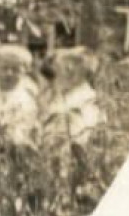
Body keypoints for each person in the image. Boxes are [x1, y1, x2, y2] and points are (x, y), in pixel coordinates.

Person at [40, 47, 103, 182]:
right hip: (51, 165)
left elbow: (82, 138)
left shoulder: (89, 99)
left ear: (87, 71)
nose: (68, 69)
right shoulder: (60, 96)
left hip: (73, 168)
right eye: (65, 65)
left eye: (76, 64)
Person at [0, 44, 41, 148]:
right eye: (4, 68)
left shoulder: (27, 100)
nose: (9, 73)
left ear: (24, 72)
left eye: (15, 70)